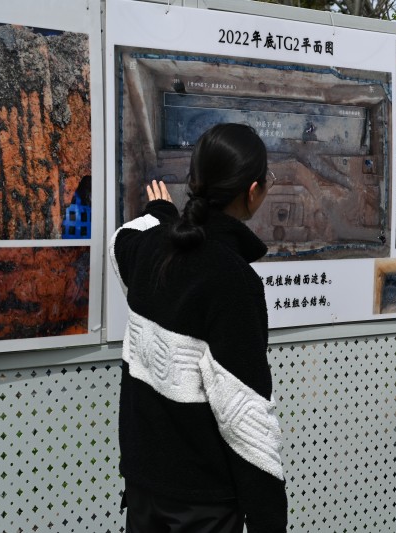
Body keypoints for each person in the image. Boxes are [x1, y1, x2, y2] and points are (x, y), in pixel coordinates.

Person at [109, 123, 287, 532]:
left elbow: (122, 241)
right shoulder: (233, 279)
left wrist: (160, 214)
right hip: (200, 505)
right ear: (253, 191)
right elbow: (245, 415)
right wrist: (269, 521)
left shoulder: (154, 247)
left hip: (142, 488)